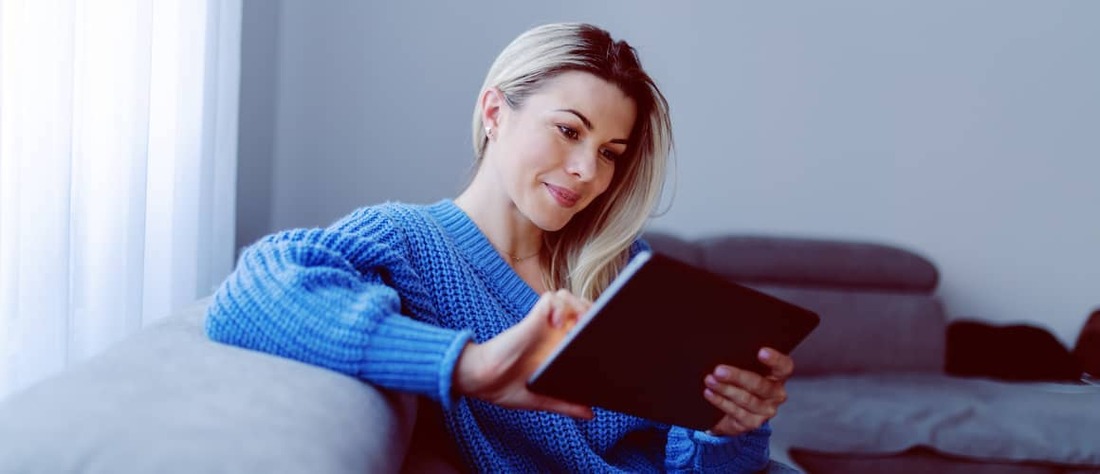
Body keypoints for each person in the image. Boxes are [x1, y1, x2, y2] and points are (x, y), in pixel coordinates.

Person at [206, 22, 796, 473]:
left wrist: (728, 427)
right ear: (495, 112)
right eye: (569, 130)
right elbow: (254, 291)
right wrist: (470, 365)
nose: (588, 169)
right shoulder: (407, 241)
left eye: (611, 152)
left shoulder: (623, 268)